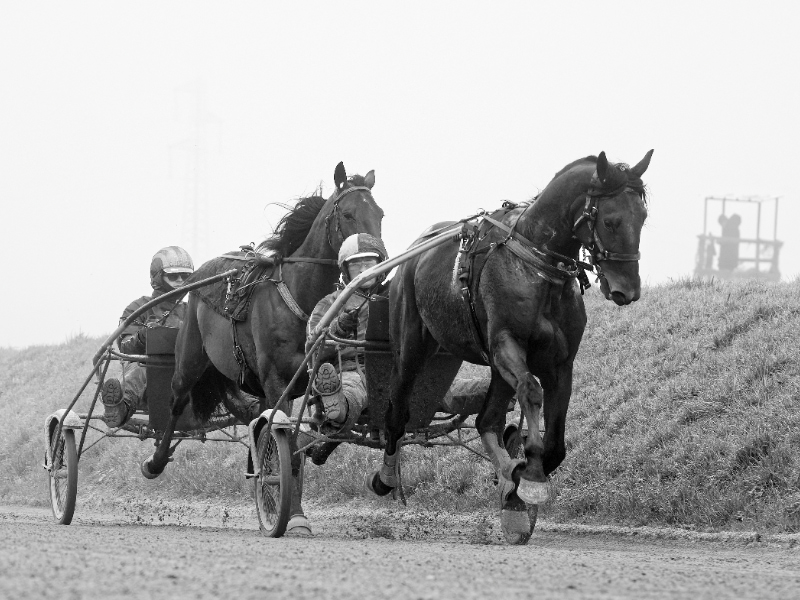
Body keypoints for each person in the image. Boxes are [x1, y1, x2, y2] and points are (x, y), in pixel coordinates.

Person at [300, 233, 388, 443]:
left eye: (369, 263)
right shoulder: (329, 303)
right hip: (350, 369)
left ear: (381, 265)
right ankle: (338, 407)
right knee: (354, 390)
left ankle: (472, 396)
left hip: (396, 367)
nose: (363, 269)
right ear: (346, 271)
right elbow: (312, 348)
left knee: (450, 390)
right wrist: (338, 328)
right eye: (356, 265)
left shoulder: (397, 295)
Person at [101, 246, 194, 427]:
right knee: (140, 368)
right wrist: (145, 335)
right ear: (158, 277)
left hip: (187, 377)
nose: (180, 281)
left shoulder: (192, 310)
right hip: (150, 378)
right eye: (174, 276)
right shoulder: (138, 307)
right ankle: (121, 408)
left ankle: (247, 406)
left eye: (185, 276)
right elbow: (125, 346)